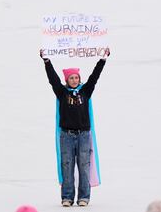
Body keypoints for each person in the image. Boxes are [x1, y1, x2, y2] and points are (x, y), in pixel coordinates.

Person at [40, 48, 110, 207]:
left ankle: (84, 197)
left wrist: (102, 60)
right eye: (71, 78)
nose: (74, 80)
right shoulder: (61, 92)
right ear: (67, 79)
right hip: (66, 135)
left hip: (84, 135)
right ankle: (67, 197)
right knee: (67, 166)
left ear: (79, 78)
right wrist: (46, 61)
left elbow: (95, 77)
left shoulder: (86, 91)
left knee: (84, 166)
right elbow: (53, 79)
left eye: (76, 77)